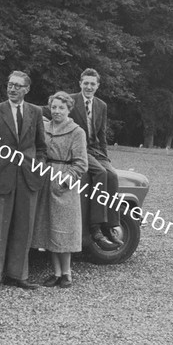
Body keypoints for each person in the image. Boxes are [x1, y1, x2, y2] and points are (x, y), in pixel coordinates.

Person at [0, 70, 47, 293]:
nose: (12, 89)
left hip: (28, 177)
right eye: (10, 85)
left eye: (18, 86)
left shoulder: (35, 112)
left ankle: (18, 275)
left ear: (27, 89)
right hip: (2, 176)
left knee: (24, 227)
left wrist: (39, 167)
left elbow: (41, 146)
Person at [44, 68, 123, 250]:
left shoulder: (101, 105)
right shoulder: (71, 100)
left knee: (112, 175)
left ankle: (110, 225)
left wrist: (106, 157)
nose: (88, 87)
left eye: (92, 84)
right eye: (85, 83)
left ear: (97, 86)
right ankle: (95, 228)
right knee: (100, 173)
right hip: (80, 148)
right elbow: (49, 110)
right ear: (80, 83)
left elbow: (101, 135)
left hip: (96, 150)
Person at [32, 91, 88, 288]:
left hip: (63, 182)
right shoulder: (44, 127)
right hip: (45, 178)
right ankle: (55, 273)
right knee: (49, 229)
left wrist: (65, 179)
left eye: (61, 108)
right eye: (54, 107)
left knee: (64, 230)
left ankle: (67, 273)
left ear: (69, 109)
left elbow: (81, 164)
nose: (56, 111)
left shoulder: (76, 131)